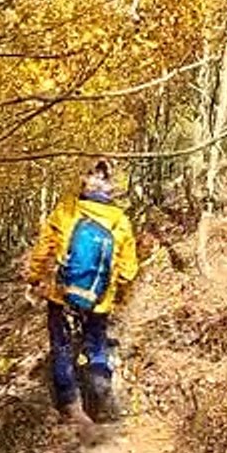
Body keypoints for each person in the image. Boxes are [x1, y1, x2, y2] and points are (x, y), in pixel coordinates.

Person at [24, 158, 139, 426]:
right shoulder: (120, 221)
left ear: (84, 181)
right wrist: (119, 296)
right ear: (112, 188)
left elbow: (43, 250)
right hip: (99, 300)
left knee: (62, 346)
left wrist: (34, 278)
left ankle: (69, 404)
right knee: (97, 345)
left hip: (61, 295)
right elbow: (128, 271)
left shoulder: (66, 211)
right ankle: (100, 397)